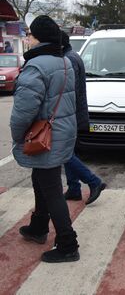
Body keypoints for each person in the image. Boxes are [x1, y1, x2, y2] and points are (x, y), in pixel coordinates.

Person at [10, 15, 80, 262]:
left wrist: (17, 135)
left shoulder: (36, 66)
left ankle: (68, 244)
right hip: (61, 133)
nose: (27, 38)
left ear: (38, 38)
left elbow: (24, 110)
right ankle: (38, 227)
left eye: (29, 35)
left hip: (45, 136)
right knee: (41, 180)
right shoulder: (64, 62)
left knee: (51, 189)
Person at [60, 32, 107, 205]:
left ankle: (93, 181)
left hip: (70, 114)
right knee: (68, 152)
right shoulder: (73, 56)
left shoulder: (69, 60)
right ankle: (74, 189)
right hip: (74, 113)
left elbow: (68, 91)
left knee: (65, 153)